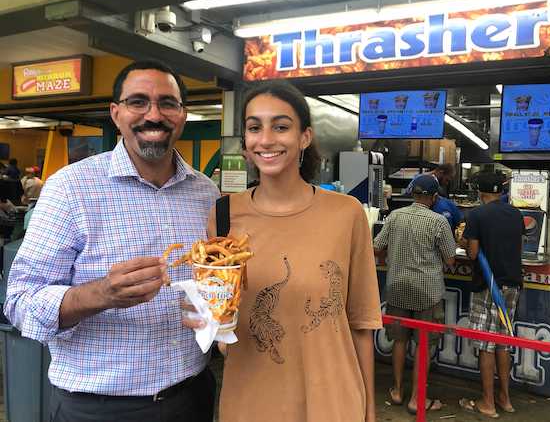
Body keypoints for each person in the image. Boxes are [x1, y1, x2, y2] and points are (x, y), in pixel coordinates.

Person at [4, 60, 220, 422]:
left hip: (192, 395)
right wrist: (101, 294)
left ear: (182, 115)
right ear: (116, 114)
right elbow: (19, 303)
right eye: (138, 102)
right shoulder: (70, 188)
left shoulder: (206, 192)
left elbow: (214, 282)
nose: (154, 115)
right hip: (99, 408)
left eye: (168, 103)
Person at [185, 81, 382, 422]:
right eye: (254, 127)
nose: (266, 139)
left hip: (332, 401)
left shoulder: (346, 213)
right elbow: (220, 320)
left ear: (304, 137)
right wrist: (211, 325)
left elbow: (361, 322)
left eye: (281, 126)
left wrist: (368, 410)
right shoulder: (223, 215)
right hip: (250, 400)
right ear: (245, 141)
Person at [373, 174, 456, 414]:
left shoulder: (395, 216)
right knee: (423, 345)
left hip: (397, 287)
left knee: (399, 340)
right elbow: (450, 259)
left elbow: (377, 246)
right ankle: (416, 399)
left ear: (412, 193)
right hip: (427, 292)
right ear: (435, 197)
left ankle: (397, 391)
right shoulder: (439, 221)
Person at [458, 172, 525, 419]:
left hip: (489, 285)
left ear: (480, 192)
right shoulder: (515, 213)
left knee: (486, 345)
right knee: (503, 342)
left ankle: (487, 402)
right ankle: (505, 398)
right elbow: (518, 246)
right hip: (513, 284)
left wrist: (465, 243)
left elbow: (474, 254)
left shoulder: (476, 215)